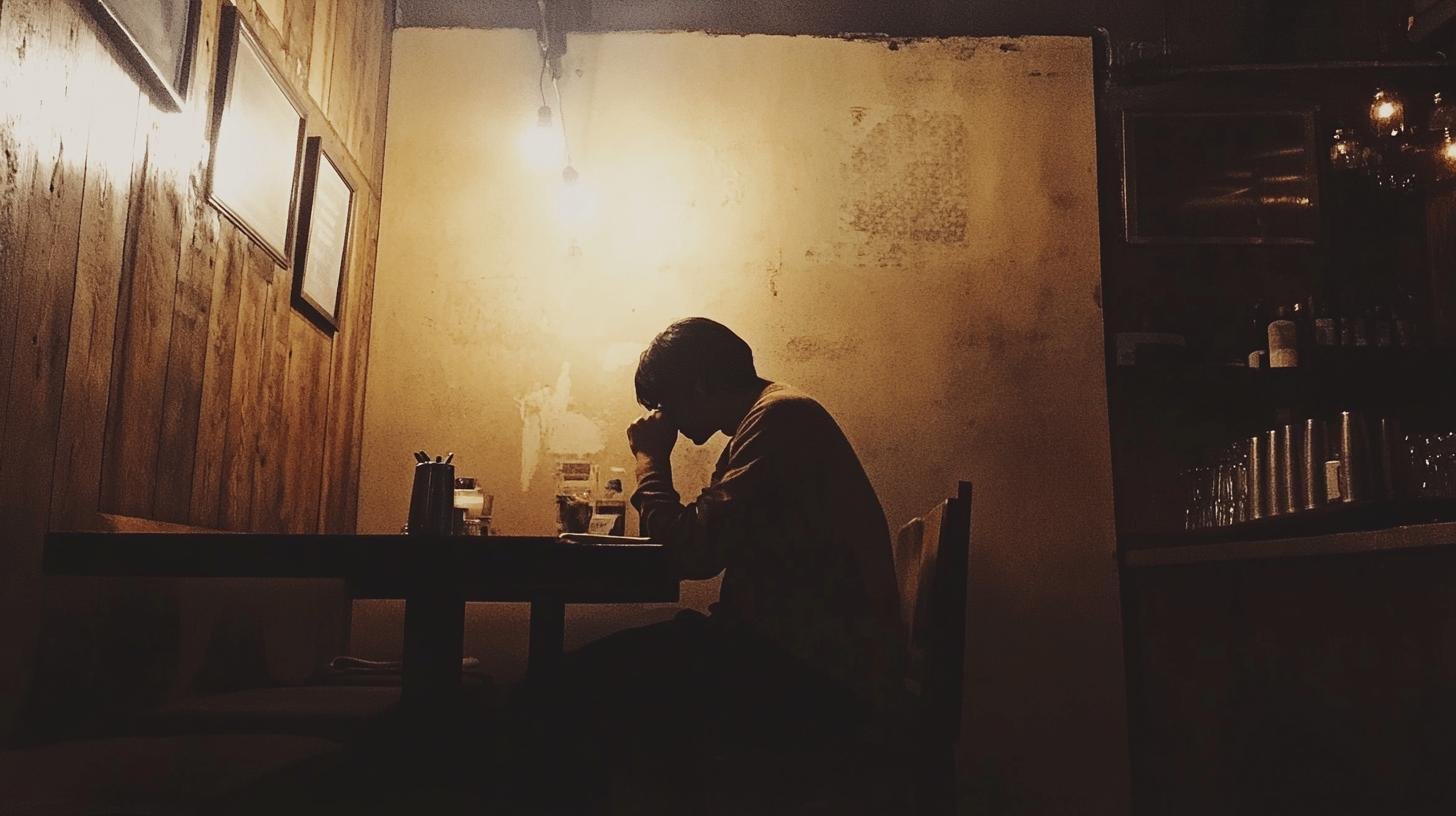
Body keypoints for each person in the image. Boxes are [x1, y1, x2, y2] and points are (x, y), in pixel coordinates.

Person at [494, 317, 906, 814]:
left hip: (802, 671)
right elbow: (699, 540)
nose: (662, 418)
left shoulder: (780, 419)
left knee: (553, 701)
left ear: (701, 383)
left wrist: (650, 458)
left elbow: (691, 553)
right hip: (797, 654)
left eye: (664, 404)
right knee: (575, 696)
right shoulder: (769, 420)